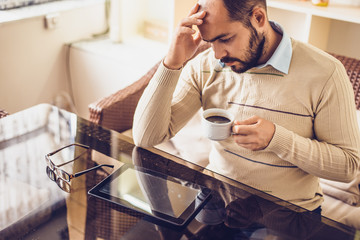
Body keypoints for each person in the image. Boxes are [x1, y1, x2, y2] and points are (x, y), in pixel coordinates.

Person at [133, 0, 360, 211]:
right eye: (210, 41)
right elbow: (146, 137)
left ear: (258, 18)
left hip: (289, 214)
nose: (218, 55)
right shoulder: (204, 67)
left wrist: (277, 139)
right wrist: (172, 63)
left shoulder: (326, 73)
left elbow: (348, 167)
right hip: (217, 204)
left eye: (225, 39)